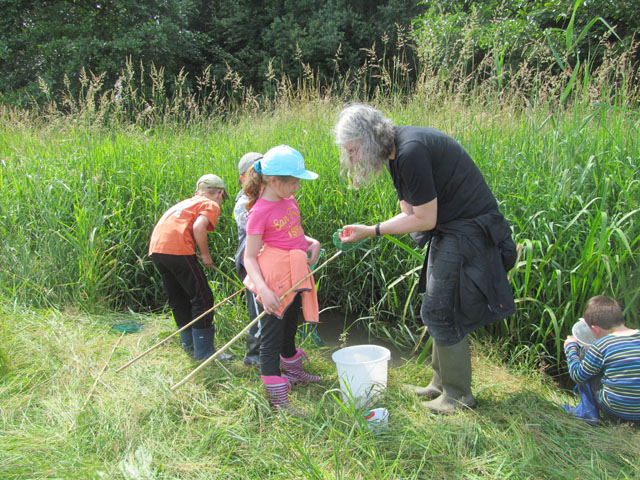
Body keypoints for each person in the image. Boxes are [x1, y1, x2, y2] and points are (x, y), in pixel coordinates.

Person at [334, 104, 516, 414]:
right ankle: (439, 385)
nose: (353, 158)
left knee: (440, 309)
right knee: (434, 306)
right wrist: (368, 230)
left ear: (368, 138)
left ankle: (458, 396)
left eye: (353, 150)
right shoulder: (394, 155)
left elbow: (425, 219)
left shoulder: (411, 151)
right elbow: (410, 212)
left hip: (469, 229)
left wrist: (372, 231)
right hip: (450, 227)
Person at [242, 144, 322, 413]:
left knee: (290, 326)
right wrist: (263, 291)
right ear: (273, 180)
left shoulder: (288, 200)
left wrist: (312, 242)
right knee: (271, 338)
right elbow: (249, 257)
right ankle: (278, 400)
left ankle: (294, 373)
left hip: (294, 274)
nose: (297, 187)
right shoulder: (258, 212)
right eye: (293, 182)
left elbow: (293, 232)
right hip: (272, 280)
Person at [149, 174, 232, 362]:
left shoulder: (186, 203)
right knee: (203, 298)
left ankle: (189, 345)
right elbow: (199, 227)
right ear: (219, 193)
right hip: (178, 249)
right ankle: (204, 353)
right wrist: (205, 255)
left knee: (178, 298)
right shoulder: (209, 204)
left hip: (157, 249)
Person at [564, 295, 640, 424]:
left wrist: (570, 348)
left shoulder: (601, 345)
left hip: (617, 414)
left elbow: (577, 375)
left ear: (595, 329)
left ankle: (588, 414)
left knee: (586, 353)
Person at [234, 152, 263, 366]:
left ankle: (270, 352)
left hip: (268, 262)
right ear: (243, 178)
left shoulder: (266, 197)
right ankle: (253, 356)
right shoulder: (243, 202)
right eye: (252, 173)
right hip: (250, 263)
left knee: (269, 309)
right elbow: (260, 233)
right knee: (258, 312)